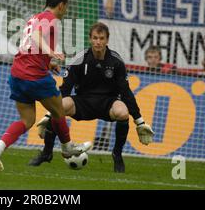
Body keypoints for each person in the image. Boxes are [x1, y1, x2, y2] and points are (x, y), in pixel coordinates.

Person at [0, 0, 92, 171]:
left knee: (27, 120)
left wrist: (48, 63)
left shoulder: (34, 17)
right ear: (61, 5)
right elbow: (36, 37)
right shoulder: (51, 19)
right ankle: (67, 147)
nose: (66, 9)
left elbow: (28, 46)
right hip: (34, 77)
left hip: (17, 74)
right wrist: (51, 53)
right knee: (59, 111)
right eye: (66, 6)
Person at [28, 22, 154, 173]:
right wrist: (50, 114)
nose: (98, 42)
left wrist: (139, 121)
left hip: (108, 104)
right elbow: (65, 89)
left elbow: (125, 92)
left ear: (107, 40)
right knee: (61, 106)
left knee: (122, 112)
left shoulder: (116, 61)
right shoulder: (80, 59)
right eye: (95, 38)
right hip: (83, 102)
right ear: (90, 39)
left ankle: (117, 155)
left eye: (101, 38)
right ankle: (47, 153)